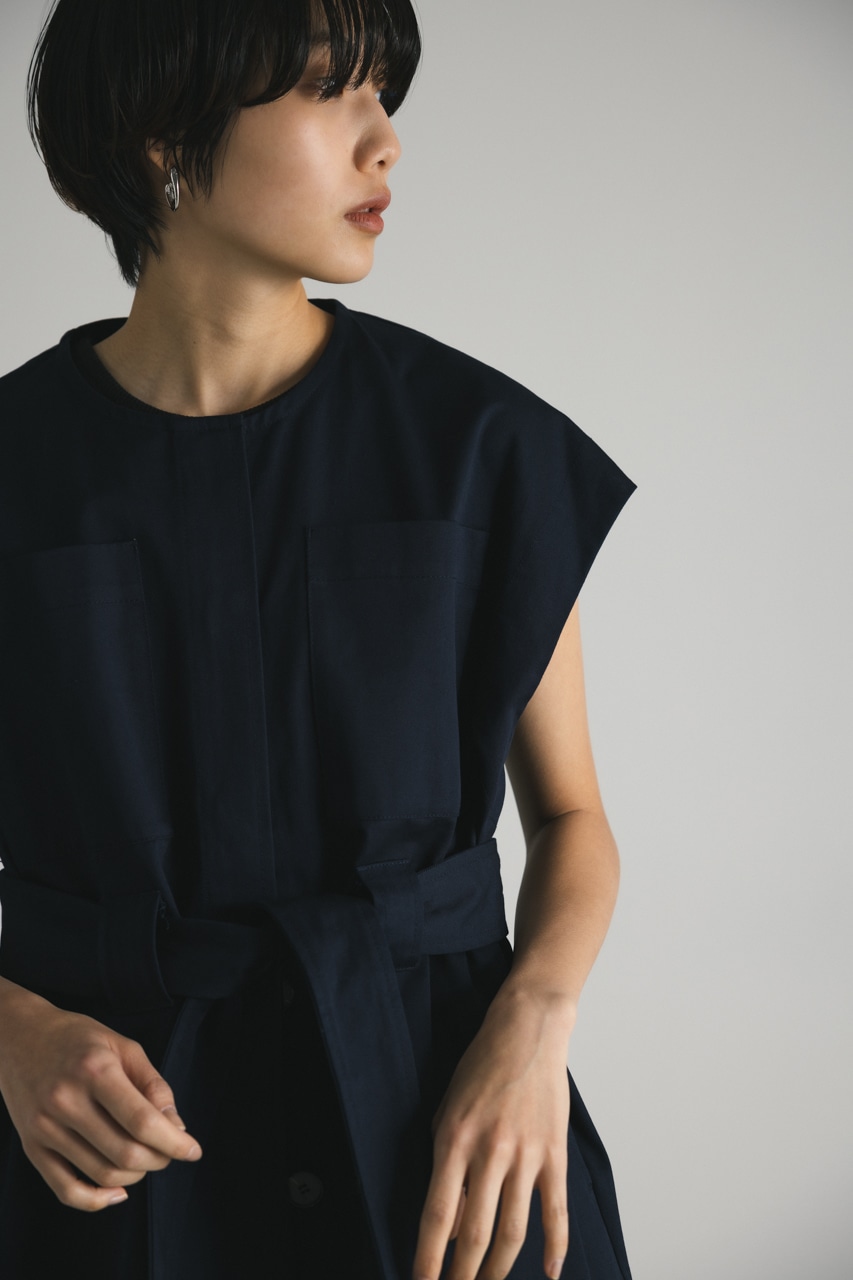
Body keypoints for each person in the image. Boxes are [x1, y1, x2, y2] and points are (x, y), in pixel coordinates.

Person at [0, 1, 637, 1277]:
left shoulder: (481, 450)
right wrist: (10, 1032)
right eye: (325, 88)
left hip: (452, 1142)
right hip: (107, 1155)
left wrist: (532, 1027)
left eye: (385, 92)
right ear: (160, 133)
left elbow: (571, 817)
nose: (384, 139)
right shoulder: (17, 465)